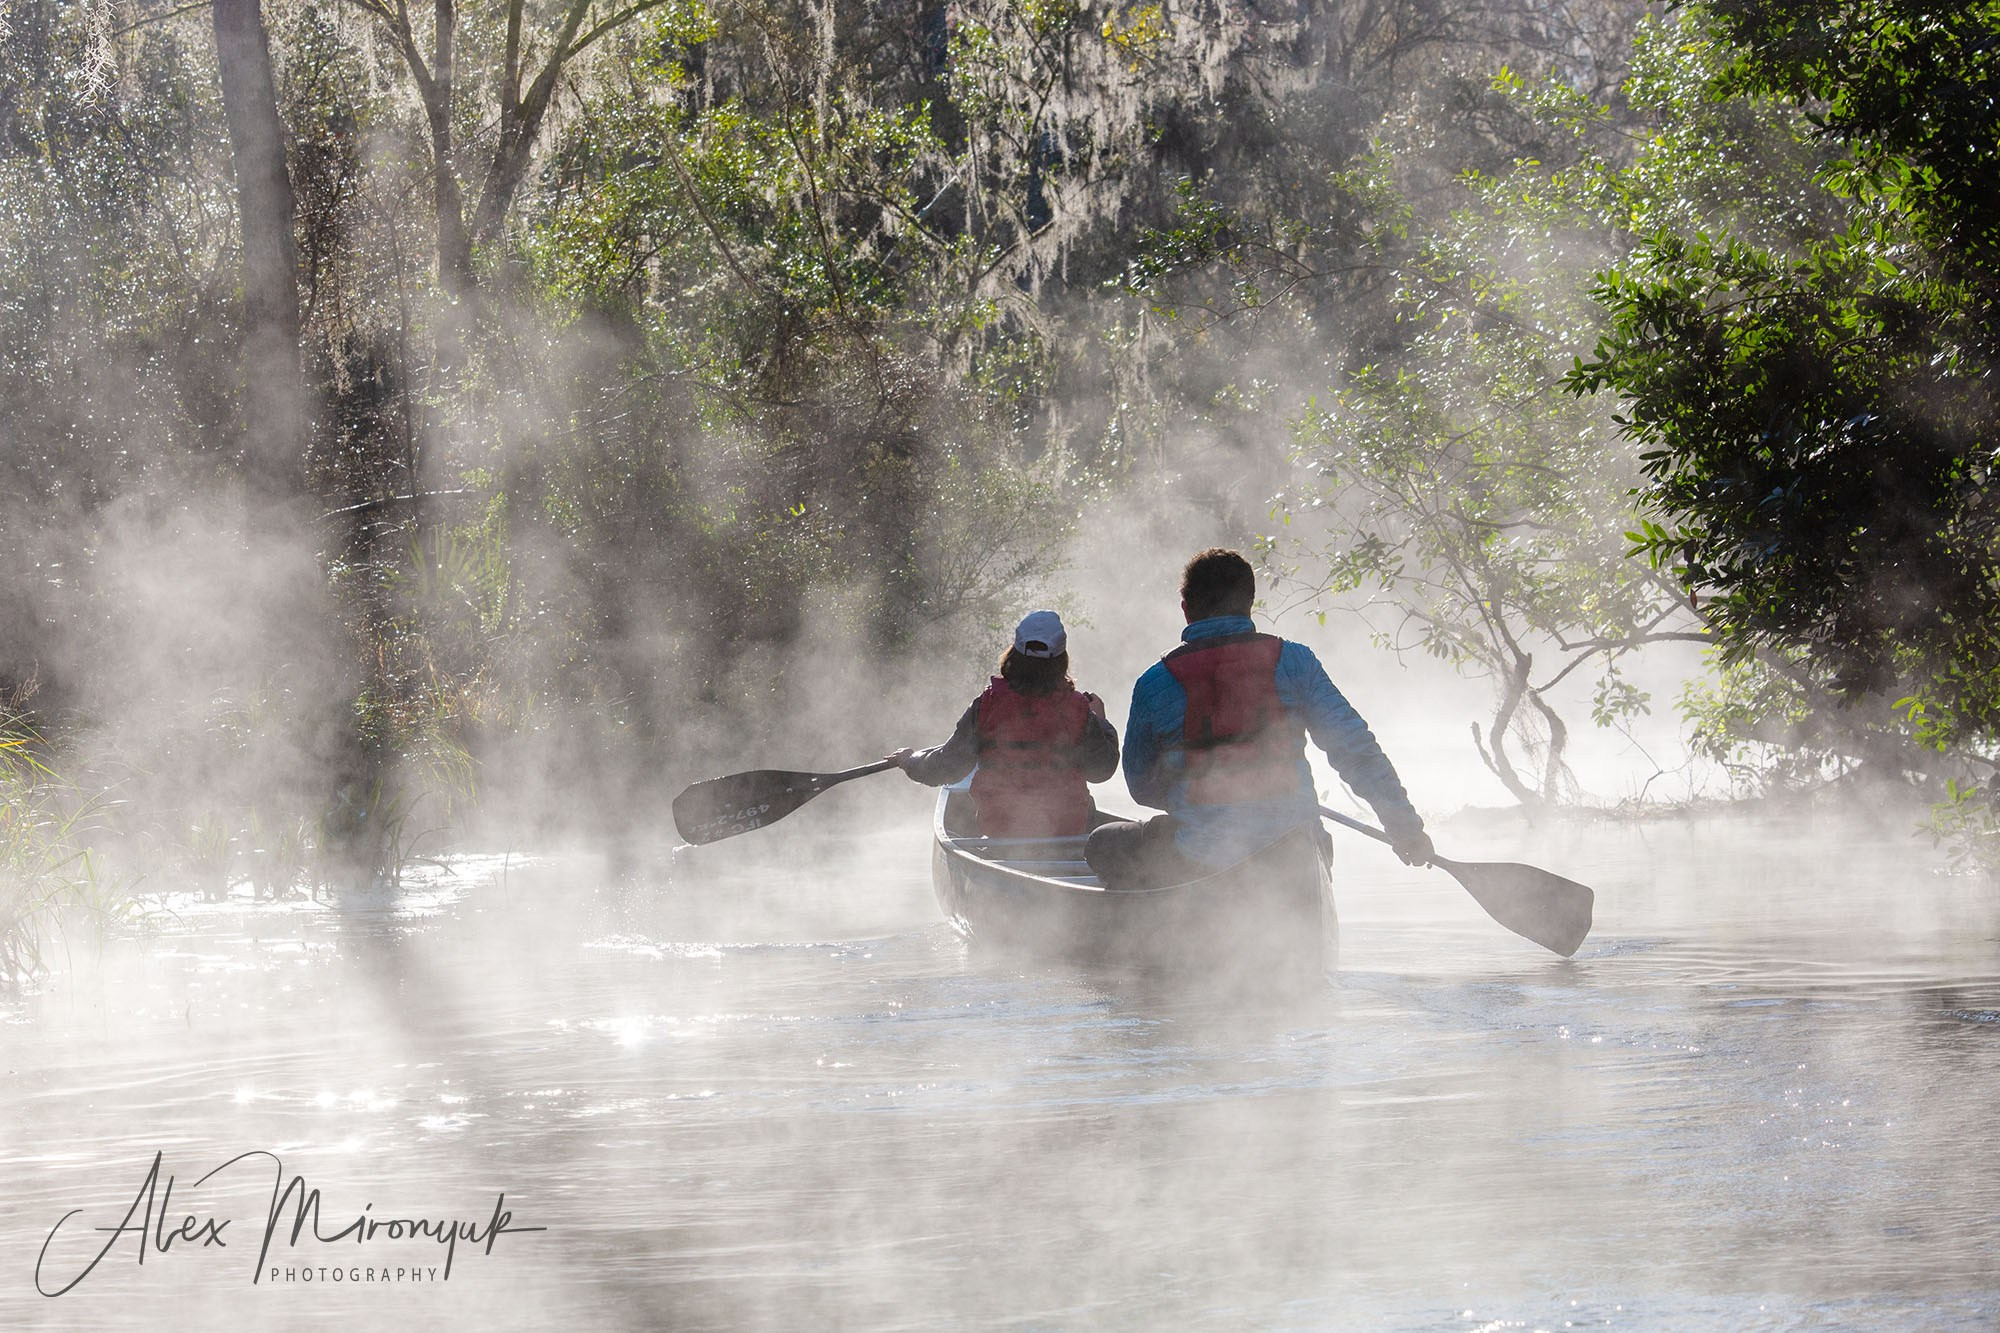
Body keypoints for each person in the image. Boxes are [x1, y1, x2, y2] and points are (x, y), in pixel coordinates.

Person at [1086, 548, 1433, 887]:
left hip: (1200, 859)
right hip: (1296, 857)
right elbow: (1356, 751)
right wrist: (1406, 830)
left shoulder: (1153, 684)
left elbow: (1142, 787)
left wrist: (1195, 800)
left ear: (1186, 609)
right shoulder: (1297, 663)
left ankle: (1153, 927)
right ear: (1250, 603)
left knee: (1102, 843)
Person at [888, 610, 1120, 837]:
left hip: (1001, 830)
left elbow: (947, 766)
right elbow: (1101, 769)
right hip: (1066, 829)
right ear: (1061, 661)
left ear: (1014, 655)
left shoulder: (986, 705)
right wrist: (1101, 721)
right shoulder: (1078, 709)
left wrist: (910, 761)